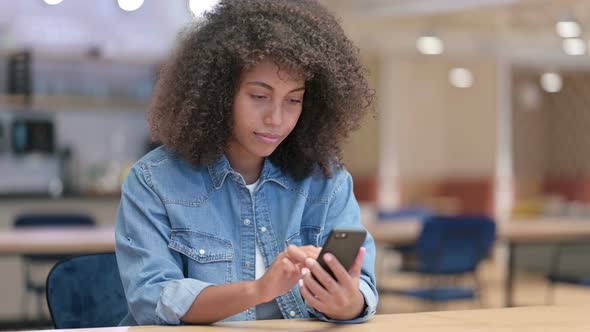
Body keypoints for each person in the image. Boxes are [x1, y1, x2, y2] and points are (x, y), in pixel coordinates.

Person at [115, 0, 377, 325]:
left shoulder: (326, 178)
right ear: (219, 92)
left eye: (294, 100)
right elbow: (153, 300)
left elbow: (361, 287)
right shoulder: (154, 181)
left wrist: (347, 303)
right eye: (259, 96)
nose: (276, 119)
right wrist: (259, 290)